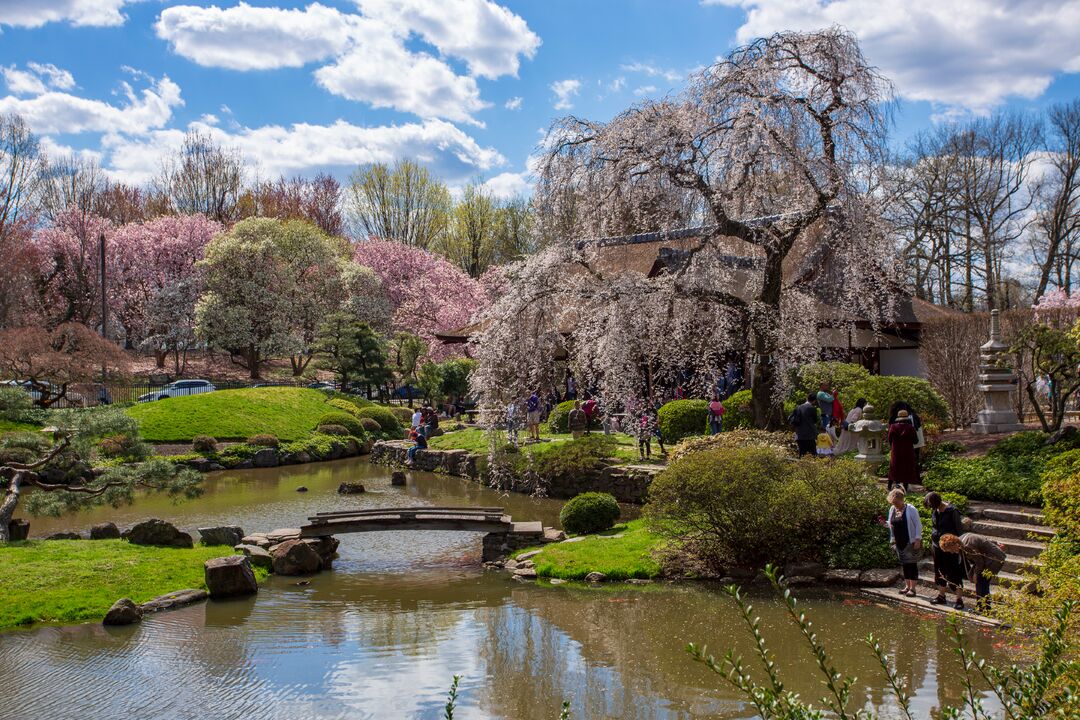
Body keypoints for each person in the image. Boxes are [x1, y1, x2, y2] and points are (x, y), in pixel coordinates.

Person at [939, 532, 1006, 611]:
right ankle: (982, 607)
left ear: (954, 544)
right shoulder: (961, 538)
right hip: (988, 557)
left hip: (994, 559)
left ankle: (984, 608)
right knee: (980, 581)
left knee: (982, 581)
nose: (952, 552)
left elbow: (979, 562)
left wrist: (976, 574)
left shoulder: (967, 546)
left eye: (951, 550)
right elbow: (982, 540)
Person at [924, 492, 966, 609]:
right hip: (937, 547)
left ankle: (959, 599)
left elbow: (960, 531)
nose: (932, 509)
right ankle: (941, 596)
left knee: (953, 572)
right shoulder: (935, 511)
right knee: (939, 571)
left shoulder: (952, 511)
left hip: (950, 548)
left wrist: (958, 548)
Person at [887, 488, 923, 597]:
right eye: (893, 503)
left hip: (910, 541)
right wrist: (885, 523)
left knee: (912, 564)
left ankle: (913, 588)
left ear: (901, 500)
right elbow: (891, 524)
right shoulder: (892, 509)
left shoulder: (911, 509)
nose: (895, 504)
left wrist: (917, 539)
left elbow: (918, 525)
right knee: (904, 564)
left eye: (896, 502)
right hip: (899, 541)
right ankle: (907, 586)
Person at [887, 409, 918, 491]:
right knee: (906, 469)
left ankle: (890, 487)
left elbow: (889, 439)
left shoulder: (893, 427)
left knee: (894, 469)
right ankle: (905, 488)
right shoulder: (910, 428)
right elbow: (916, 441)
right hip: (908, 452)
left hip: (896, 452)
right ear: (907, 418)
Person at [790, 392, 820, 457]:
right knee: (813, 454)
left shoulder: (798, 407)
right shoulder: (812, 408)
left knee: (801, 454)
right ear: (814, 400)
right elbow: (815, 421)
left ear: (807, 398)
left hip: (799, 434)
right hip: (809, 435)